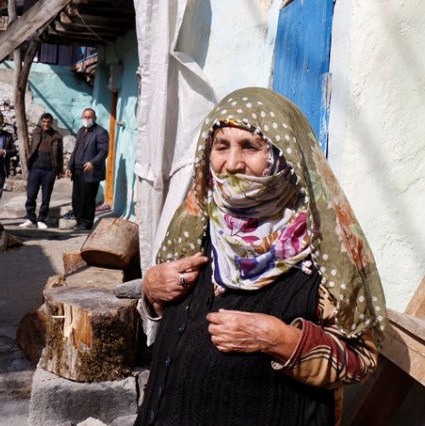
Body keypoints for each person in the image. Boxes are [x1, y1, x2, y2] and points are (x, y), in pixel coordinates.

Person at [136, 87, 387, 426]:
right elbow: (167, 312)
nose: (232, 164)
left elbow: (360, 360)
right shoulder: (196, 227)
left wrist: (279, 339)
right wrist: (151, 289)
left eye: (251, 147)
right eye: (221, 146)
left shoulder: (325, 253)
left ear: (286, 156)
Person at [65, 108, 109, 231]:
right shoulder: (80, 131)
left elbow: (103, 152)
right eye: (85, 117)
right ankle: (79, 221)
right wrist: (70, 166)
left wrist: (93, 162)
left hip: (90, 171)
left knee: (87, 199)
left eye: (89, 117)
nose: (87, 119)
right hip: (78, 170)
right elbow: (76, 150)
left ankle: (86, 223)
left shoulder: (101, 132)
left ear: (94, 118)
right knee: (76, 200)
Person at [20, 113, 64, 229]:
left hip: (49, 171)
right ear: (41, 121)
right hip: (35, 168)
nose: (46, 124)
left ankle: (41, 219)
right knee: (31, 195)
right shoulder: (36, 132)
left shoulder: (57, 136)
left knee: (45, 197)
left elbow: (59, 154)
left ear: (51, 123)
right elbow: (31, 148)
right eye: (44, 122)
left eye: (48, 122)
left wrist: (59, 170)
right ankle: (31, 218)